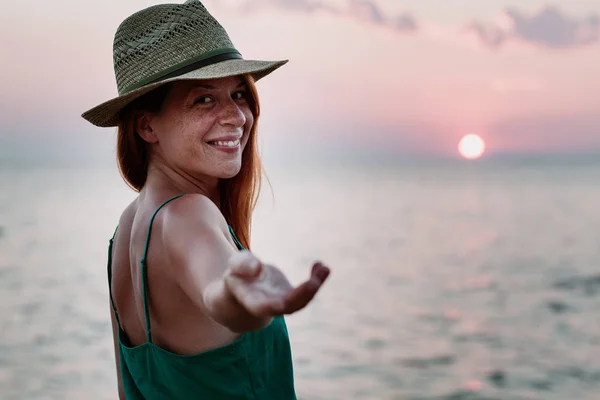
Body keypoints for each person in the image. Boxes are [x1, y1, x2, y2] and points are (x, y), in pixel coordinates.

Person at [81, 1, 331, 399]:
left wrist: (234, 290)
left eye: (238, 94)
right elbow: (214, 287)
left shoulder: (126, 233)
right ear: (147, 125)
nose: (237, 116)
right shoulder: (187, 213)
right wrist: (238, 294)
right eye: (203, 99)